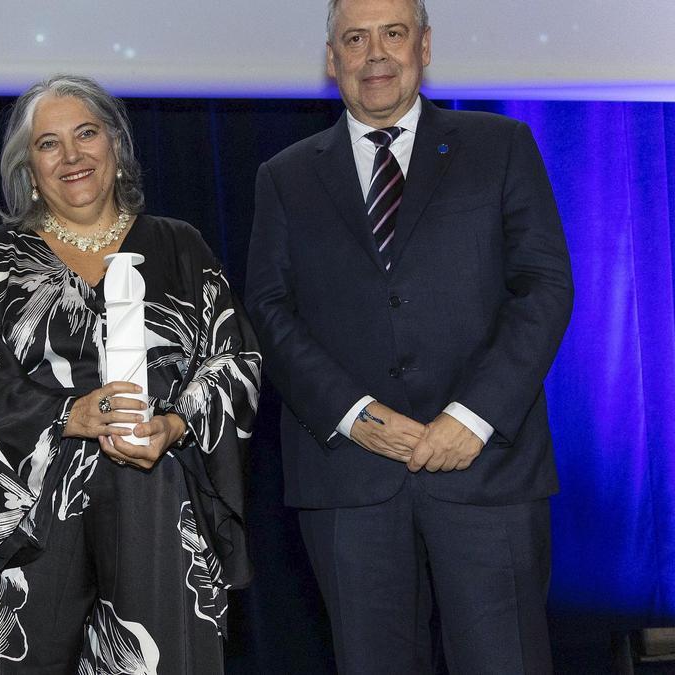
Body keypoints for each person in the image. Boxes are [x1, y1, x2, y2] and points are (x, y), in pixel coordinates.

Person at [245, 0, 574, 672]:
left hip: (487, 470)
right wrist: (354, 414)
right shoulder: (284, 176)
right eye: (355, 39)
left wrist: (472, 417)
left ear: (423, 46)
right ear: (332, 60)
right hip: (350, 479)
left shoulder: (500, 146)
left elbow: (544, 288)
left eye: (392, 34)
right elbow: (270, 310)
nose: (375, 55)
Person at [0, 74, 261, 674]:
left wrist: (176, 425)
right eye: (48, 144)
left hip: (159, 497)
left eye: (86, 134)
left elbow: (234, 362)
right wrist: (68, 415)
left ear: (117, 145)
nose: (72, 156)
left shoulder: (180, 246)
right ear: (28, 168)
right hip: (32, 511)